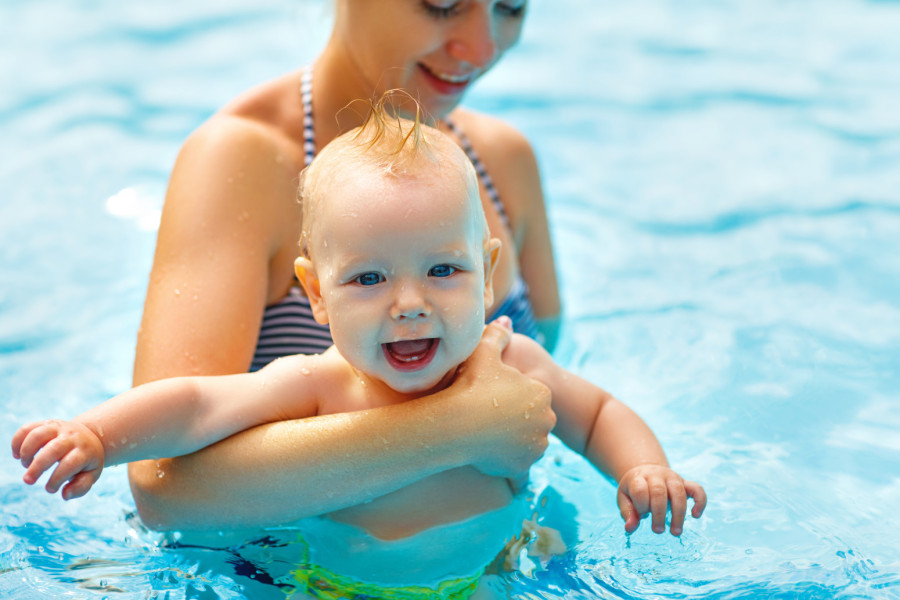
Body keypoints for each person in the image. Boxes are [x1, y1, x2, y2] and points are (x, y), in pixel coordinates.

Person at [12, 108, 706, 597]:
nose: (410, 303)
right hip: (327, 588)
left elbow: (598, 414)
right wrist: (98, 435)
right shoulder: (317, 385)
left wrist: (644, 469)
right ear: (316, 294)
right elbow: (197, 404)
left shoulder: (513, 362)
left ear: (489, 272)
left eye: (443, 270)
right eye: (369, 279)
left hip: (494, 576)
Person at [128, 0, 561, 529]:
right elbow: (163, 489)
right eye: (443, 5)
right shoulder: (244, 161)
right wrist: (457, 429)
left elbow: (554, 377)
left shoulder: (502, 157)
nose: (483, 46)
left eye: (510, 8)